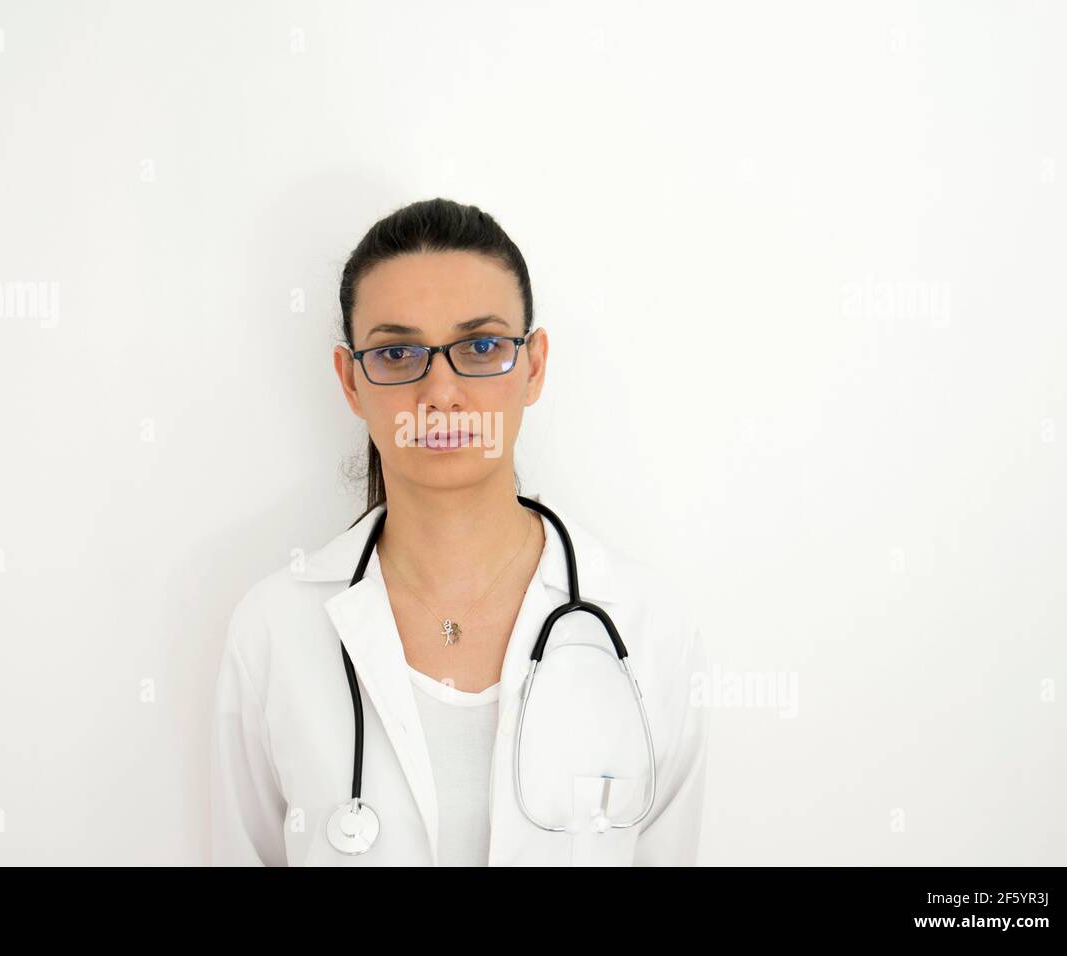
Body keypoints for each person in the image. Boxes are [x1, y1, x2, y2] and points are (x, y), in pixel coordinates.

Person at [212, 198, 708, 866]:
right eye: (396, 352)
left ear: (533, 366)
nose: (440, 393)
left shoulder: (651, 628)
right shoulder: (274, 629)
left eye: (480, 347)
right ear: (350, 382)